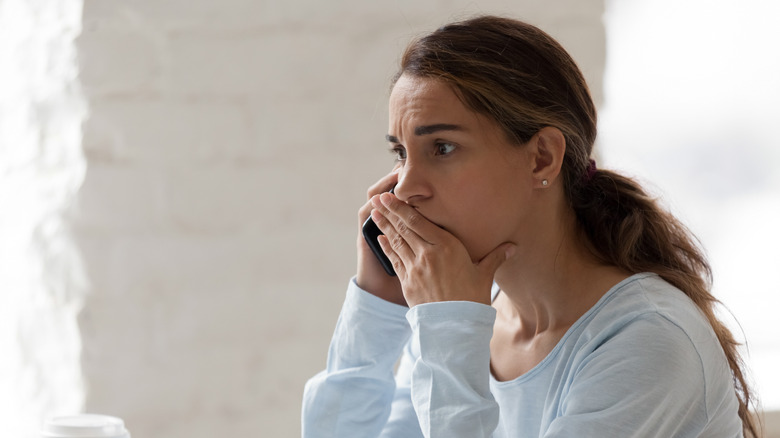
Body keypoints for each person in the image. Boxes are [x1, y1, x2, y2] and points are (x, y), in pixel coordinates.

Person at [301, 15, 759, 438]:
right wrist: (377, 306)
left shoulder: (649, 341)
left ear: (542, 157)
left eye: (442, 148)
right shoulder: (458, 318)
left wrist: (450, 329)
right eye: (401, 154)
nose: (403, 191)